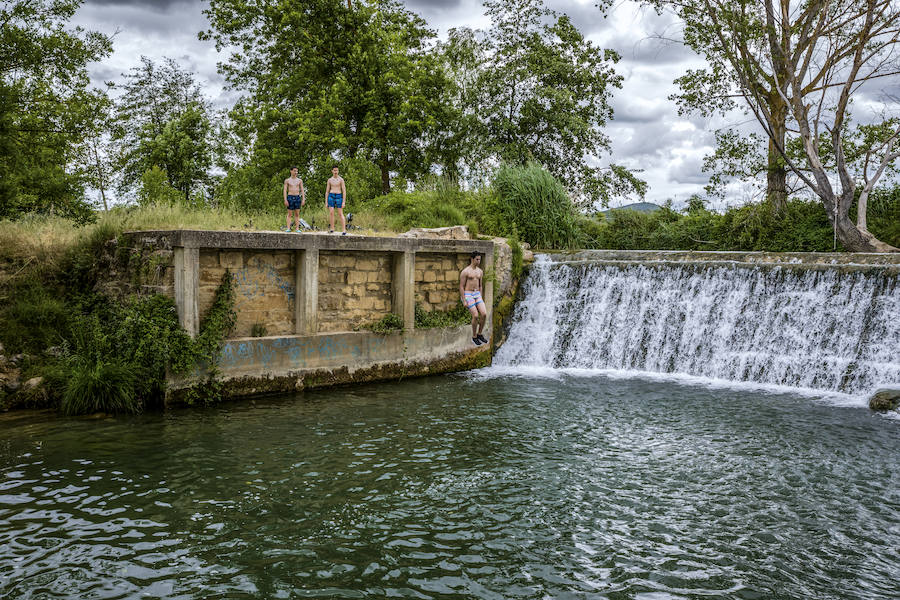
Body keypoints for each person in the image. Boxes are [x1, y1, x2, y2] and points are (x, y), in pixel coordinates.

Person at [460, 251, 488, 346]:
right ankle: (474, 336)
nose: (479, 261)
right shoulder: (465, 271)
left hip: (477, 294)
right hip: (468, 294)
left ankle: (480, 334)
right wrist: (464, 300)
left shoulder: (480, 271)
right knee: (475, 315)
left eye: (480, 259)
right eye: (477, 259)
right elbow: (461, 286)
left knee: (484, 314)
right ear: (472, 259)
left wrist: (481, 296)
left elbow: (480, 285)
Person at [325, 165, 347, 235]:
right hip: (331, 196)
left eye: (337, 170)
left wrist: (343, 201)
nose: (335, 172)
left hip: (338, 196)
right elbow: (327, 191)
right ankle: (332, 229)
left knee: (340, 213)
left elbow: (344, 191)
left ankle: (344, 230)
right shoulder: (330, 180)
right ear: (332, 171)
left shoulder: (341, 179)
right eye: (334, 170)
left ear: (338, 171)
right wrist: (326, 202)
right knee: (331, 213)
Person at [282, 167, 305, 232]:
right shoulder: (287, 180)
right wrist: (285, 199)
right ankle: (288, 228)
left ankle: (297, 228)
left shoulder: (299, 180)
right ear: (291, 171)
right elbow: (285, 190)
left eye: (297, 171)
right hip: (290, 197)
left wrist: (303, 199)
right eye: (294, 171)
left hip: (297, 197)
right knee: (289, 214)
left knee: (297, 214)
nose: (296, 173)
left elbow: (302, 190)